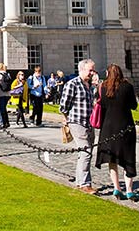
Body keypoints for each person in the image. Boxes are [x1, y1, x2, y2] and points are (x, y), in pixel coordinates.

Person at [95, 64, 139, 201]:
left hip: (108, 127)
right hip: (125, 126)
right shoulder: (127, 86)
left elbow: (102, 105)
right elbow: (134, 105)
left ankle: (116, 188)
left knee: (112, 159)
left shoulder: (103, 87)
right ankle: (129, 190)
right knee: (128, 157)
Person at [59, 58, 97, 194]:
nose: (92, 72)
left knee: (85, 153)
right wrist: (66, 120)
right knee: (86, 152)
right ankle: (85, 184)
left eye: (93, 70)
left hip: (89, 123)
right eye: (90, 70)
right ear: (81, 69)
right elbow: (63, 106)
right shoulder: (72, 84)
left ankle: (80, 182)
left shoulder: (90, 85)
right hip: (77, 122)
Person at [0, 63, 12, 128]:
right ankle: (7, 122)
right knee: (4, 108)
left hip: (1, 94)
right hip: (8, 94)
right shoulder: (7, 74)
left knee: (2, 109)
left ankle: (4, 123)